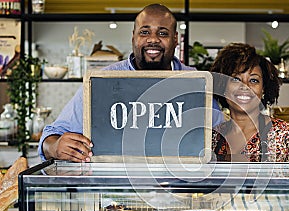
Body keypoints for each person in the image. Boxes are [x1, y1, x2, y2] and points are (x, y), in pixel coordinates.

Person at [38, 3, 223, 163]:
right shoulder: (103, 82)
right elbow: (52, 136)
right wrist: (55, 147)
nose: (153, 39)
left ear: (175, 39)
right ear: (133, 36)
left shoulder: (196, 83)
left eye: (162, 33)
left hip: (180, 196)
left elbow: (221, 138)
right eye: (145, 32)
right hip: (115, 197)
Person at [210, 43, 289, 162]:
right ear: (223, 87)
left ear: (263, 89)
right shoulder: (213, 137)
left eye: (253, 80)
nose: (245, 86)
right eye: (236, 79)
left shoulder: (286, 135)